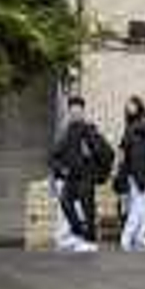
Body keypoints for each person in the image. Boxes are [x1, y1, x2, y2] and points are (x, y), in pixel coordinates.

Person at [49, 95, 111, 252]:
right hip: (70, 176)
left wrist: (93, 156)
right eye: (72, 110)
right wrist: (61, 169)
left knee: (87, 207)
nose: (75, 113)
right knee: (65, 202)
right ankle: (78, 233)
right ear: (69, 112)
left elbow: (107, 152)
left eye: (78, 110)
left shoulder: (89, 129)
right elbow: (54, 155)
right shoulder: (66, 132)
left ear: (83, 112)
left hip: (86, 175)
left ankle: (90, 240)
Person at [117, 97, 145, 253]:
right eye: (128, 106)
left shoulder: (140, 126)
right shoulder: (133, 128)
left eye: (132, 105)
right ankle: (127, 237)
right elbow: (125, 151)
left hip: (143, 170)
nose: (129, 108)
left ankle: (140, 236)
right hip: (136, 171)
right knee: (138, 206)